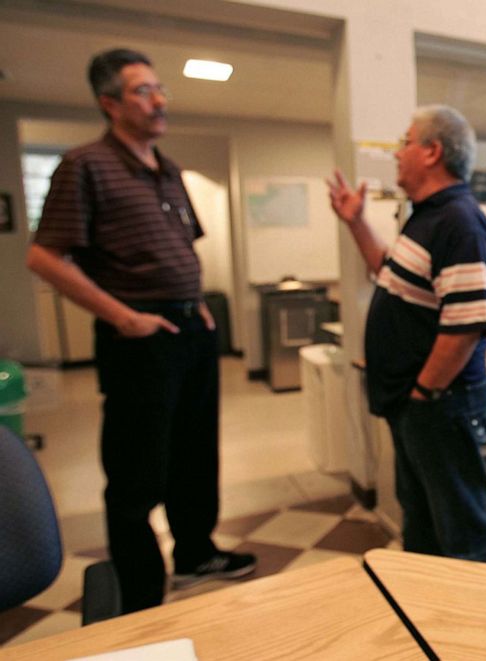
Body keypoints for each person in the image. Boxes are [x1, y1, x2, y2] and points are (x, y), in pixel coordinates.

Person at [26, 48, 255, 613]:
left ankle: (197, 553)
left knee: (195, 453)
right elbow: (44, 257)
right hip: (139, 337)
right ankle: (139, 590)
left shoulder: (169, 170)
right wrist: (124, 318)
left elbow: (181, 249)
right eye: (143, 91)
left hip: (190, 329)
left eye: (160, 90)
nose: (159, 101)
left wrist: (198, 304)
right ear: (109, 103)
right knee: (136, 467)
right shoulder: (86, 166)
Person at [327, 105, 486, 562]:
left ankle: (476, 629)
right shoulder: (426, 217)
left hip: (439, 406)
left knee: (463, 533)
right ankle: (428, 619)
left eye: (405, 142)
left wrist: (424, 394)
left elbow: (466, 324)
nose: (397, 153)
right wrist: (355, 220)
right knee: (422, 525)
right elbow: (388, 272)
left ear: (432, 152)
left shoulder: (458, 220)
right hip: (419, 406)